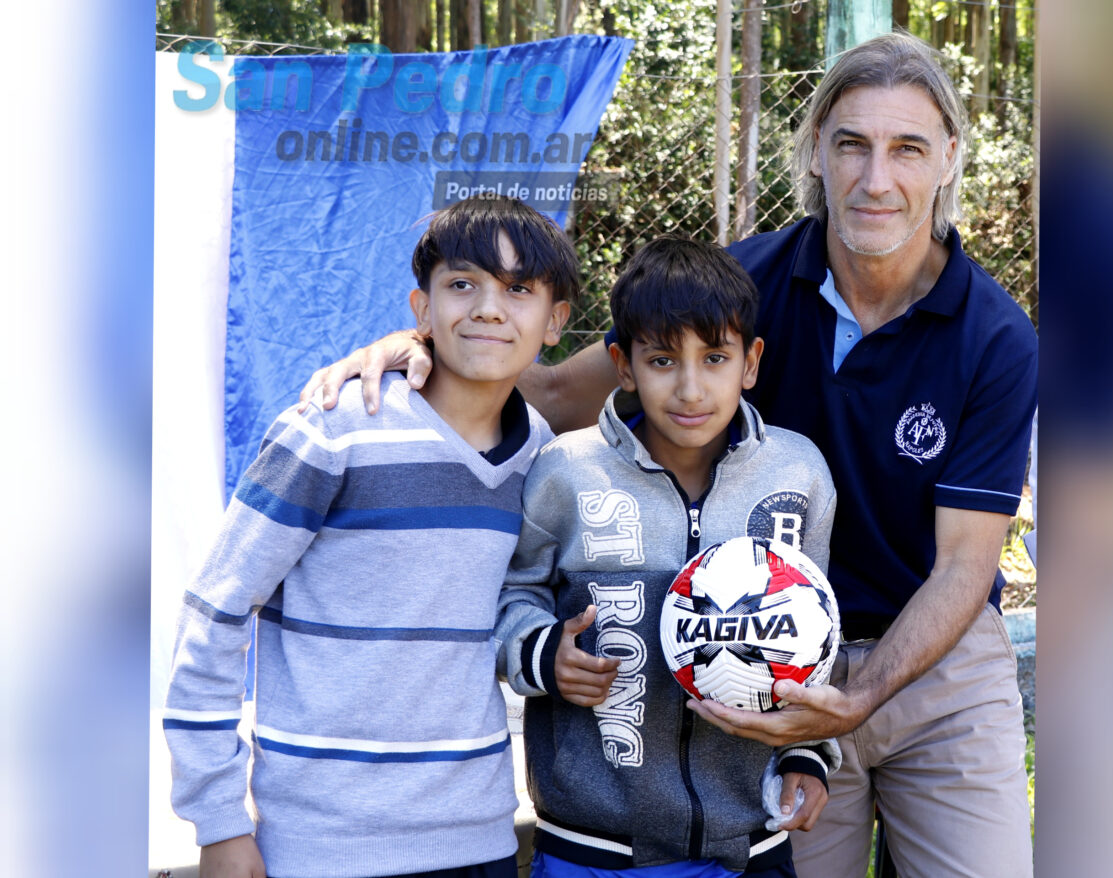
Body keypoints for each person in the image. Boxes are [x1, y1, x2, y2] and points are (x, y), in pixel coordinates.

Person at [300, 32, 1038, 878]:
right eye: (852, 145)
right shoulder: (739, 288)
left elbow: (962, 569)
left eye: (907, 148)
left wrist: (857, 700)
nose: (877, 179)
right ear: (816, 154)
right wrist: (425, 340)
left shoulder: (997, 340)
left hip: (931, 661)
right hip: (748, 653)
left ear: (948, 156)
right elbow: (548, 389)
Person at [163, 195, 579, 878]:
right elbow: (216, 610)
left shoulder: (540, 455)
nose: (488, 308)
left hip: (479, 842)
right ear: (421, 310)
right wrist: (217, 820)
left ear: (555, 321)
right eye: (463, 284)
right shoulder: (333, 427)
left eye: (519, 290)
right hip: (322, 847)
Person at [493, 236, 840, 877]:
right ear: (623, 366)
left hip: (750, 846)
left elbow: (817, 644)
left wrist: (805, 756)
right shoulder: (566, 472)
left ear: (752, 362)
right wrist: (545, 654)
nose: (689, 388)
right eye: (661, 360)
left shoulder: (799, 475)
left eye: (714, 358)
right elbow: (513, 594)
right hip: (591, 846)